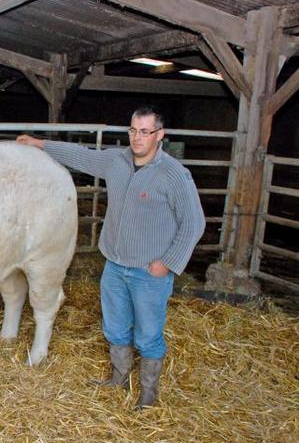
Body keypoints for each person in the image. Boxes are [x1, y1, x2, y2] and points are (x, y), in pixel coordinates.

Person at [17, 106, 205, 409]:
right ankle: (118, 378)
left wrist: (168, 263)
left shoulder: (173, 174)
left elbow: (194, 223)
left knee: (148, 335)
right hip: (115, 265)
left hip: (149, 270)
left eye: (145, 131)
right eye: (133, 130)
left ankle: (147, 393)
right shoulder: (117, 161)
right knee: (115, 327)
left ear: (160, 135)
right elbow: (81, 155)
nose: (137, 138)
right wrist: (39, 144)